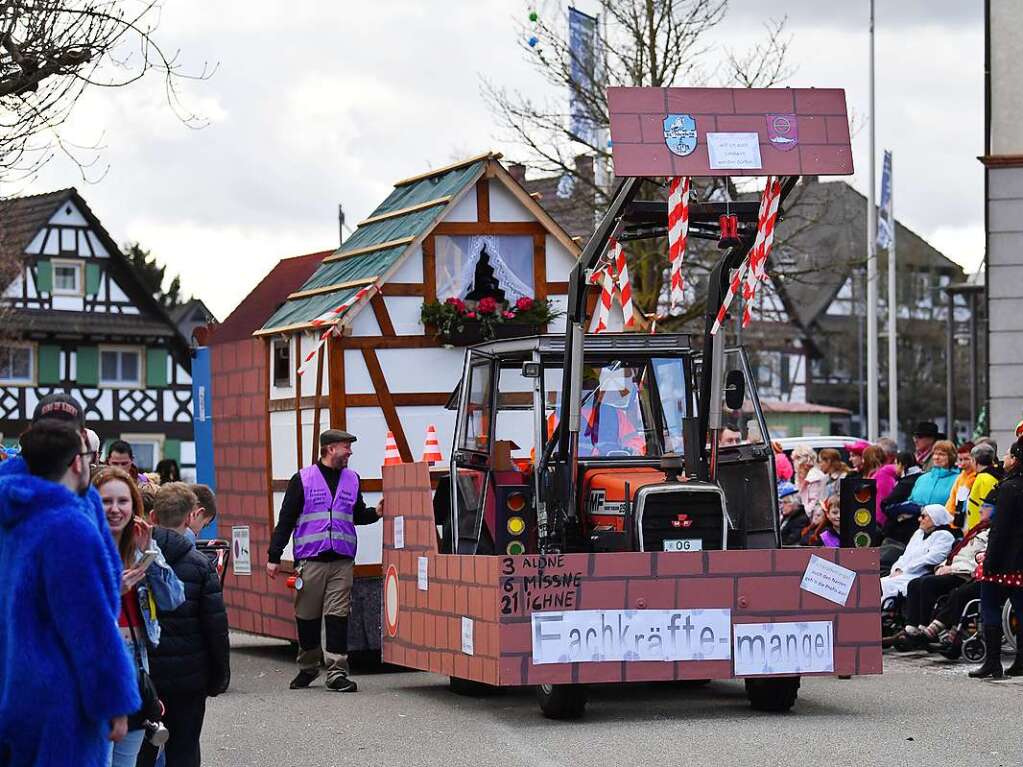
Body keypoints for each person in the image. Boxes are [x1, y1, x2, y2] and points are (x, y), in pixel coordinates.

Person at [0, 417, 140, 766]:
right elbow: (89, 626)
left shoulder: (14, 518)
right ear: (78, 462)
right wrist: (114, 700)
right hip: (59, 698)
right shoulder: (69, 525)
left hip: (15, 684)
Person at [267, 429, 381, 692]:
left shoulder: (352, 479)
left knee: (337, 616)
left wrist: (375, 512)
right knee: (306, 617)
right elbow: (285, 521)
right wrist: (274, 556)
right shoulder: (303, 480)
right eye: (346, 447)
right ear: (330, 449)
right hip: (311, 561)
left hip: (342, 561)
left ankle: (337, 672)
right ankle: (308, 667)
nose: (350, 452)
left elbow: (356, 515)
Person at [93, 467, 185, 767]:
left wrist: (151, 555)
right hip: (98, 664)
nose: (115, 509)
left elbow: (173, 598)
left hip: (136, 664)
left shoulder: (140, 545)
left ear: (135, 506)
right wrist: (112, 590)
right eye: (106, 501)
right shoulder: (83, 546)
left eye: (123, 501)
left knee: (127, 761)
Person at [139, 483, 230, 767]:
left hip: (146, 677)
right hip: (189, 679)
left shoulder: (133, 559)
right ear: (191, 517)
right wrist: (218, 677)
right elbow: (215, 628)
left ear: (152, 517)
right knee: (185, 749)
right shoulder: (201, 565)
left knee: (142, 751)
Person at [890, 505, 990, 651]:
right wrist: (941, 566)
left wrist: (951, 568)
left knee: (927, 583)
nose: (980, 510)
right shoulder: (976, 530)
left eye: (924, 516)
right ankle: (912, 628)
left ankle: (925, 628)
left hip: (964, 573)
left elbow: (973, 559)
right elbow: (955, 554)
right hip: (953, 568)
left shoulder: (989, 533)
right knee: (914, 584)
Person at [968, 438, 1023, 679]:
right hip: (1020, 560)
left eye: (1009, 455)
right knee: (1021, 608)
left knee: (989, 604)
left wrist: (989, 560)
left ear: (1017, 459)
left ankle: (992, 662)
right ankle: (1021, 661)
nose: (1005, 460)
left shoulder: (1009, 487)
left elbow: (999, 529)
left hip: (1004, 559)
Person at [880, 504, 955, 604]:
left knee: (883, 584)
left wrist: (905, 569)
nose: (919, 519)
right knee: (875, 583)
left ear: (935, 518)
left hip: (919, 575)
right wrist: (897, 568)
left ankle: (884, 611)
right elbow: (905, 555)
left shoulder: (944, 536)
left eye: (924, 516)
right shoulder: (918, 533)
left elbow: (931, 558)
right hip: (902, 573)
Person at [906, 440, 959, 509]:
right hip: (919, 519)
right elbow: (911, 500)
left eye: (941, 454)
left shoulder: (958, 479)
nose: (936, 457)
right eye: (935, 454)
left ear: (951, 456)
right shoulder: (922, 478)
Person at [965, 442, 1002, 532]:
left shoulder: (985, 478)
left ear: (974, 460)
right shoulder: (988, 476)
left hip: (980, 530)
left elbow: (987, 507)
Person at [945, 441, 977, 525]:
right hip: (957, 522)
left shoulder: (978, 477)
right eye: (960, 459)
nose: (963, 463)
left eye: (966, 459)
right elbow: (952, 499)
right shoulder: (960, 477)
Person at [778, 481, 808, 546]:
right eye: (780, 503)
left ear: (795, 503)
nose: (782, 506)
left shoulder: (801, 519)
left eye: (785, 502)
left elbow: (790, 542)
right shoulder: (788, 516)